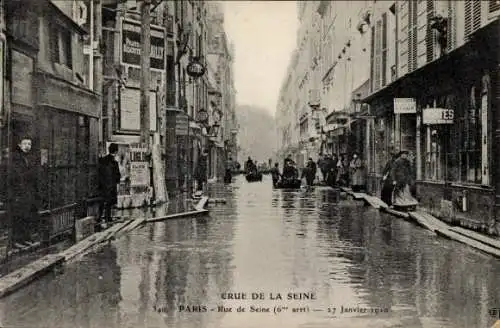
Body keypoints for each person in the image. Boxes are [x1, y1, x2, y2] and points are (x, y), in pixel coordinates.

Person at [10, 136, 40, 248]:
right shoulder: (16, 157)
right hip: (19, 193)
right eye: (25, 144)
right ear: (19, 145)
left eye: (29, 144)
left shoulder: (30, 158)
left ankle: (26, 238)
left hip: (28, 192)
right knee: (18, 217)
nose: (27, 146)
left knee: (27, 216)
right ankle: (16, 241)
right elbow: (16, 177)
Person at [98, 143, 121, 227]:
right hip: (111, 186)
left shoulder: (102, 160)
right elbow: (118, 176)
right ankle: (108, 217)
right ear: (116, 151)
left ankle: (99, 217)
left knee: (101, 202)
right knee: (109, 203)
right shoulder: (115, 163)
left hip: (102, 185)